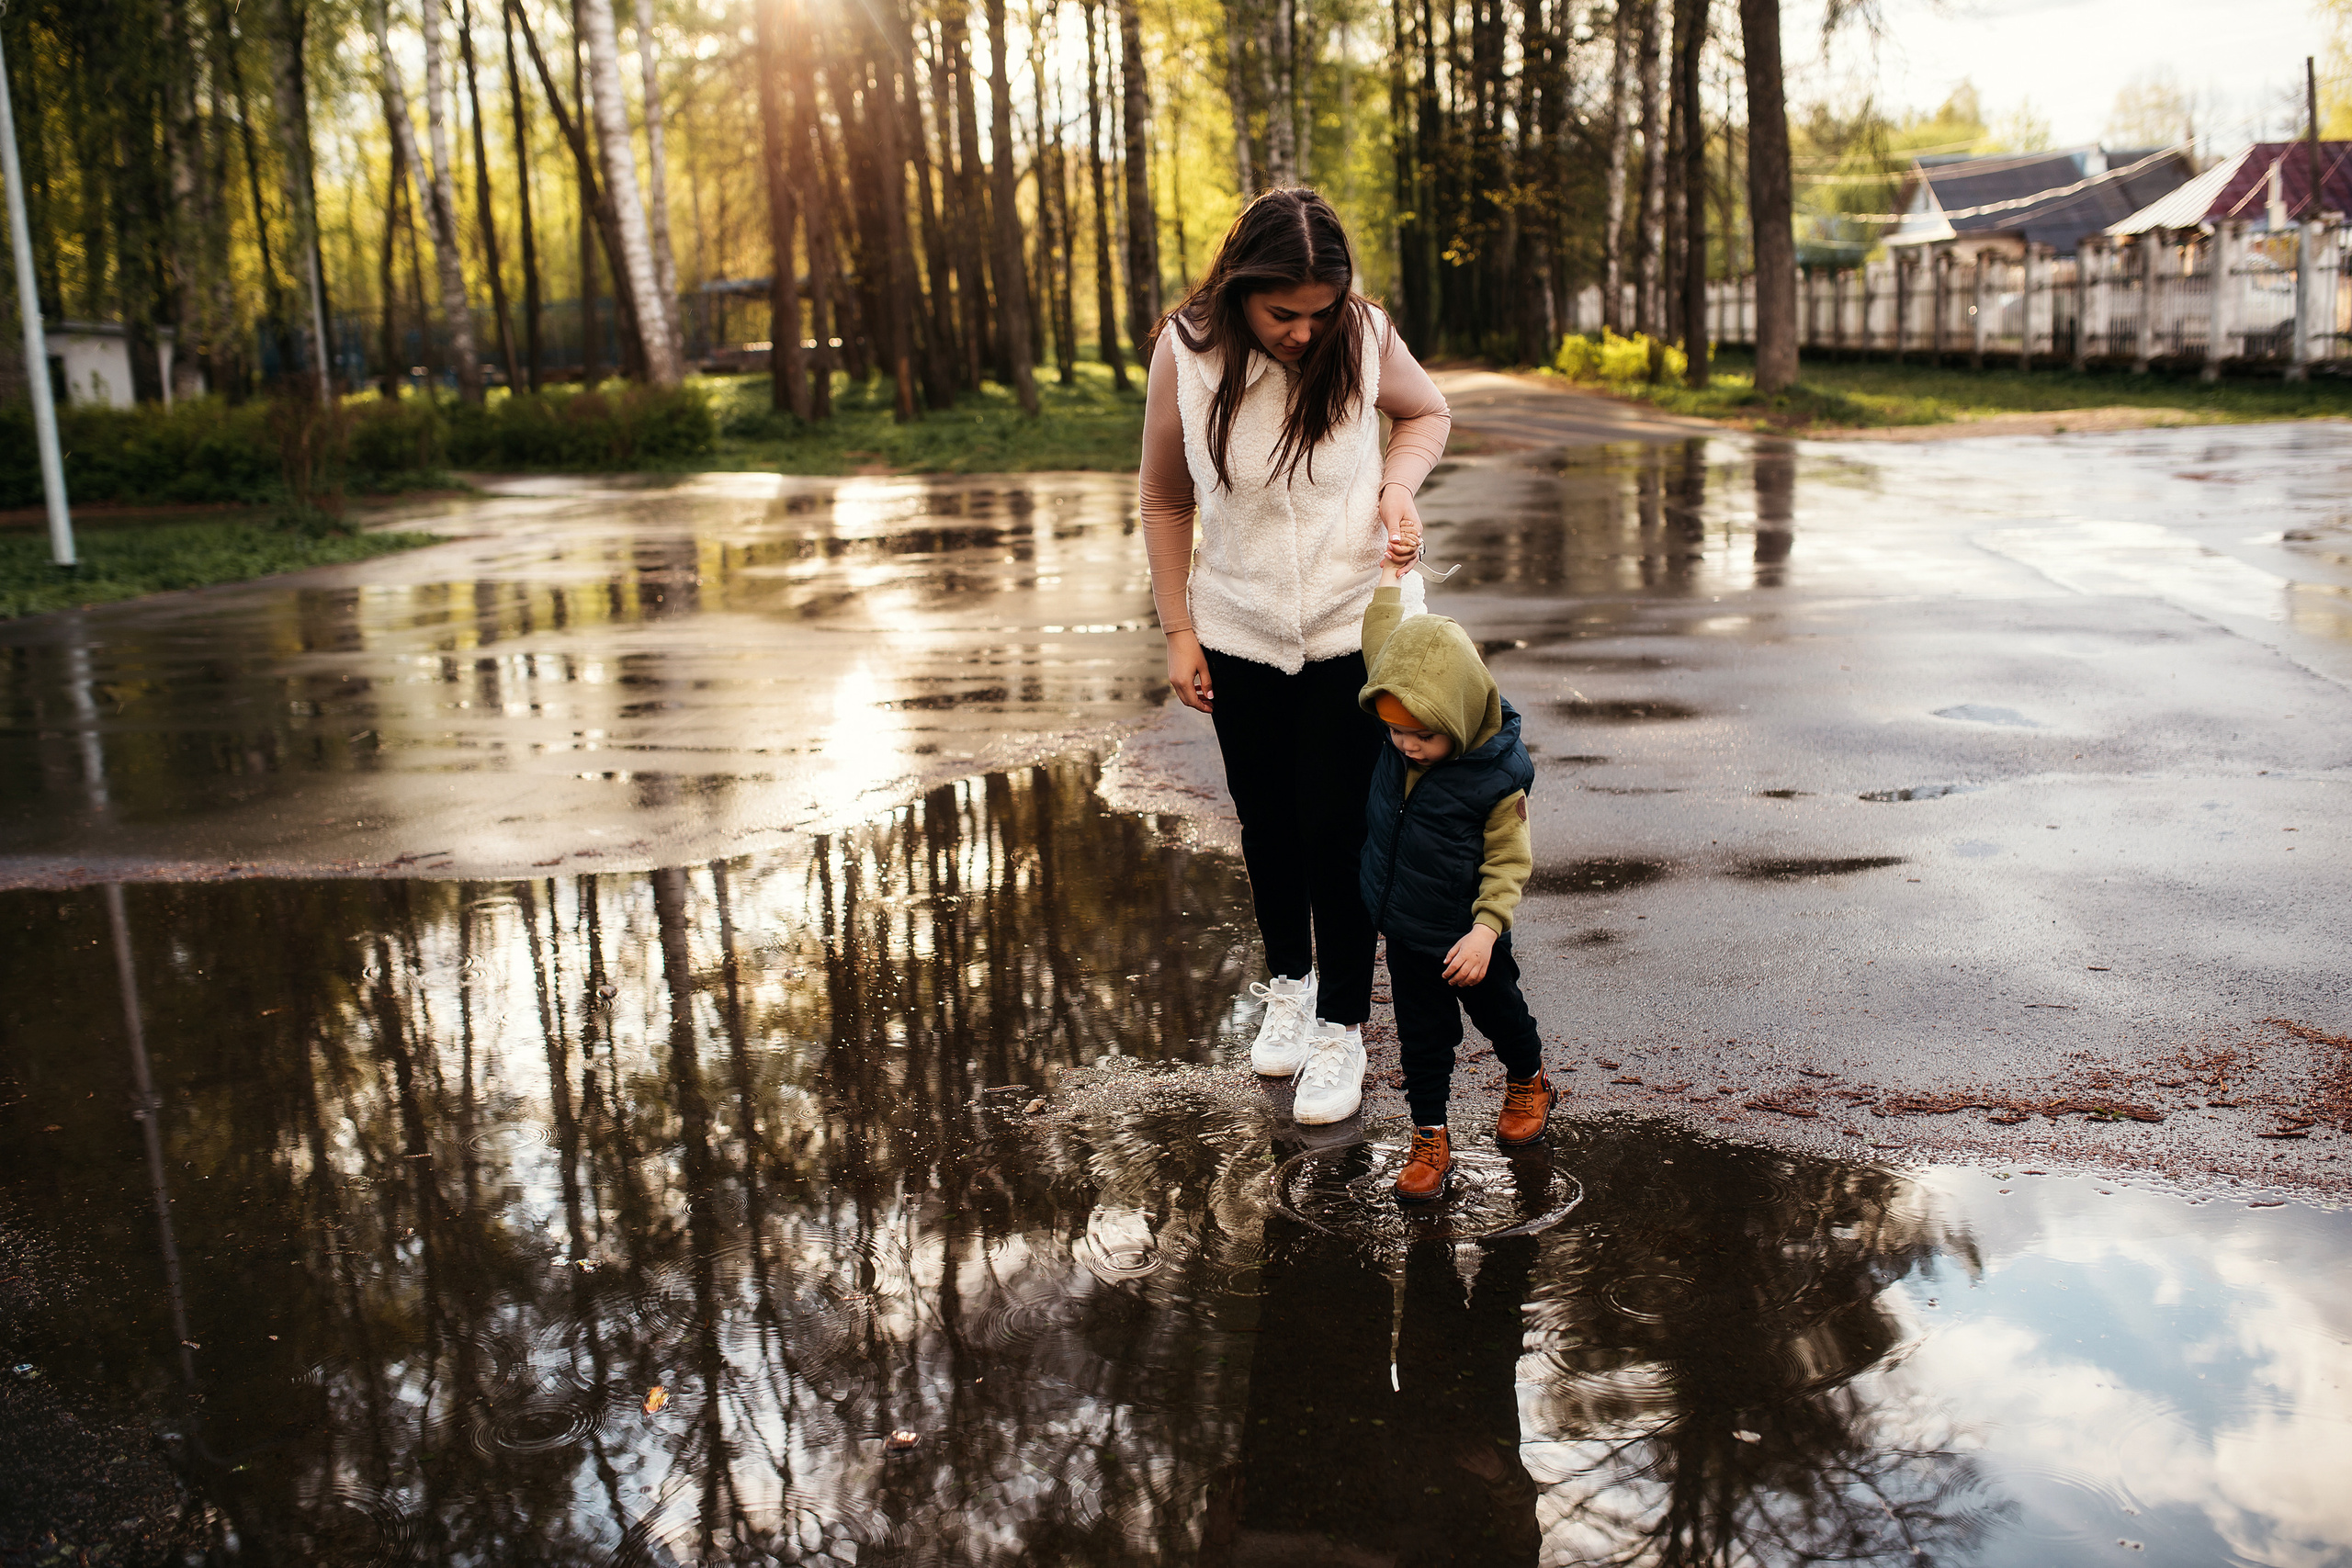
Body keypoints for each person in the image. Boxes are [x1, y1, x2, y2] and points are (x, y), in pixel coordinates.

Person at [1139, 187, 1452, 1127]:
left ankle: (1341, 1030)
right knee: (1267, 822)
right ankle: (1289, 985)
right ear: (1240, 291)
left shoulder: (1360, 337)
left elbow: (1426, 414)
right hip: (1237, 630)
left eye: (1320, 312)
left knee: (1339, 832)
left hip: (1351, 627)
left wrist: (1397, 490)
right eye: (1284, 314)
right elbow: (1163, 498)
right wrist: (1179, 630)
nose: (1305, 333)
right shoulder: (1186, 358)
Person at [1356, 556, 1555, 1201]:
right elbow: (1380, 642)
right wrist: (1390, 574)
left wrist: (1486, 929)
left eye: (1421, 735)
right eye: (1394, 731)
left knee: (1502, 1013)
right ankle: (1429, 1137)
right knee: (1423, 1040)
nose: (1406, 745)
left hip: (1470, 938)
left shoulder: (1495, 778)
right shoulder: (1402, 721)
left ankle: (1528, 1078)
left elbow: (1507, 861)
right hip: (1408, 928)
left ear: (1461, 717)